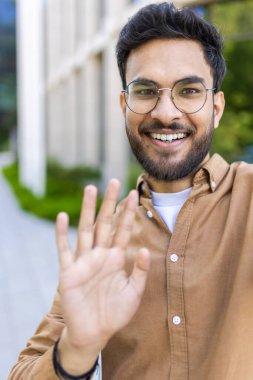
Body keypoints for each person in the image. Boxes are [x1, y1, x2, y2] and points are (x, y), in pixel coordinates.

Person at [9, 2, 253, 380]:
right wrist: (76, 350)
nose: (166, 112)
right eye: (145, 91)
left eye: (189, 90)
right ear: (125, 105)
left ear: (216, 107)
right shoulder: (102, 245)